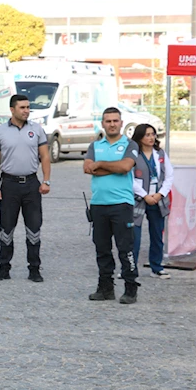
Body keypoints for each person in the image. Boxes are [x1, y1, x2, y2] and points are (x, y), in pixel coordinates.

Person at [0, 94, 51, 283]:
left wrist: (46, 181)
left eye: (28, 107)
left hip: (31, 184)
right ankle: (4, 267)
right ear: (12, 109)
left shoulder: (37, 129)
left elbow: (45, 157)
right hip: (9, 185)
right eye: (22, 107)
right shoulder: (0, 132)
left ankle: (34, 268)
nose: (26, 111)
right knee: (6, 228)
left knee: (33, 227)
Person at [84, 107, 140, 304]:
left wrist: (100, 165)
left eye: (115, 121)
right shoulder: (95, 145)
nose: (112, 124)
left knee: (125, 248)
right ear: (103, 124)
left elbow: (125, 167)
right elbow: (87, 167)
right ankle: (105, 288)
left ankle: (131, 287)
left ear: (121, 123)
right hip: (98, 204)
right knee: (102, 248)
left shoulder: (130, 144)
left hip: (121, 204)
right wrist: (112, 166)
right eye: (108, 121)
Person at [131, 124, 174, 280]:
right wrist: (144, 195)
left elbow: (169, 176)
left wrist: (160, 194)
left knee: (157, 234)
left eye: (153, 134)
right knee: (133, 236)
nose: (151, 138)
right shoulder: (133, 154)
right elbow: (129, 177)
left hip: (158, 199)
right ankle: (129, 268)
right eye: (147, 135)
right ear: (140, 137)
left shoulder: (160, 153)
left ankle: (156, 267)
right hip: (139, 199)